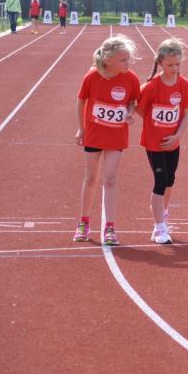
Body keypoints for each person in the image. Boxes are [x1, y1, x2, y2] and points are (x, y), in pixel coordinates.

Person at [73, 35, 140, 245]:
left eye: (129, 59)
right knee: (91, 178)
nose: (128, 63)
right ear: (108, 60)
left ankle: (109, 227)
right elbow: (80, 102)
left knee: (110, 179)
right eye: (123, 60)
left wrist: (130, 113)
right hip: (94, 133)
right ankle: (83, 223)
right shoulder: (92, 76)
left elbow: (132, 101)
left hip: (116, 135)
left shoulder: (131, 78)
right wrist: (81, 129)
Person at [136, 39, 188, 245]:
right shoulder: (152, 86)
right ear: (160, 62)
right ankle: (159, 227)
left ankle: (163, 213)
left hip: (173, 142)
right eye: (170, 64)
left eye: (177, 64)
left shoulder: (184, 84)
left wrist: (177, 135)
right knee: (161, 182)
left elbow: (187, 113)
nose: (174, 68)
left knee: (170, 180)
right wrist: (153, 126)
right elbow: (140, 109)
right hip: (154, 143)